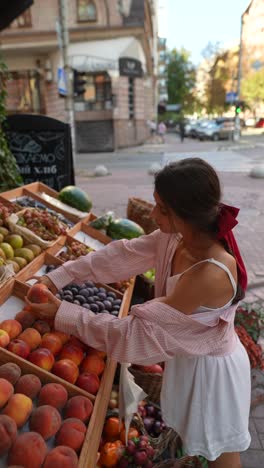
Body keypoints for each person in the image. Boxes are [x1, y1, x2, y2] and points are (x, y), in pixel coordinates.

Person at [26, 158, 251, 468]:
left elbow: (133, 334)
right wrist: (59, 276)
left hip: (211, 372)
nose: (152, 212)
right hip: (189, 360)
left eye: (160, 207)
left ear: (182, 213)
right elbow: (123, 254)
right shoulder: (176, 238)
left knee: (222, 453)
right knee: (201, 444)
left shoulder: (209, 273)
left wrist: (62, 313)